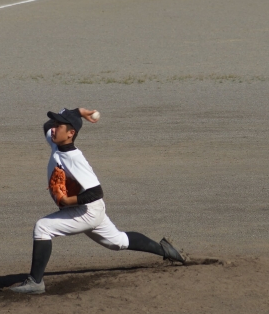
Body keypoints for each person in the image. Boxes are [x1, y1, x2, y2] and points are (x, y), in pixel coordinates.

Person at [10, 107, 186, 294]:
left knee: (43, 228)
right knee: (117, 241)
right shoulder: (56, 143)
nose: (53, 128)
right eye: (55, 124)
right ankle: (165, 250)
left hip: (87, 212)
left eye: (58, 125)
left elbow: (96, 192)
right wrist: (77, 112)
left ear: (70, 133)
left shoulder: (74, 159)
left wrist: (67, 201)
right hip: (91, 210)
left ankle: (35, 282)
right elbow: (47, 126)